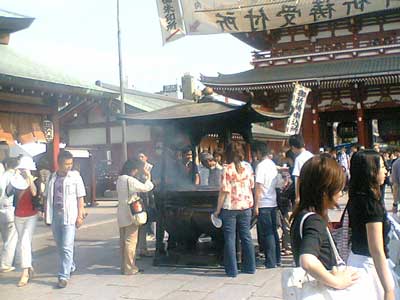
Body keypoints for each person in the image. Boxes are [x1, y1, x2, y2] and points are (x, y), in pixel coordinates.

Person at [290, 155, 359, 290]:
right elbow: (307, 260)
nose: (341, 193)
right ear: (324, 191)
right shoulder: (314, 221)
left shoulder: (302, 215)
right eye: (338, 188)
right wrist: (337, 282)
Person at [347, 150, 399, 299]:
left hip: (355, 260)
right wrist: (388, 289)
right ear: (370, 171)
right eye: (382, 167)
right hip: (371, 268)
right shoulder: (371, 205)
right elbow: (376, 249)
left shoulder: (355, 198)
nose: (386, 170)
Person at [45, 151, 86, 288]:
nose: (69, 166)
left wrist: (80, 216)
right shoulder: (52, 177)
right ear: (59, 163)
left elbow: (80, 198)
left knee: (67, 246)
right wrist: (46, 215)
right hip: (56, 215)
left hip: (70, 216)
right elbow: (47, 198)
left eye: (71, 163)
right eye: (66, 164)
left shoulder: (75, 177)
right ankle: (71, 266)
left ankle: (63, 276)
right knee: (60, 246)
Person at [213, 143, 256, 277]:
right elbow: (252, 185)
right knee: (246, 236)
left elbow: (224, 191)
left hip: (230, 207)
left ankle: (232, 270)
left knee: (230, 239)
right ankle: (250, 267)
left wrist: (217, 210)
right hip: (246, 205)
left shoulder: (226, 169)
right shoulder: (248, 168)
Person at [116, 159, 154, 275]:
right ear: (133, 169)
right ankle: (130, 268)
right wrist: (148, 177)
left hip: (121, 212)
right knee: (131, 241)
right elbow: (146, 188)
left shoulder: (119, 179)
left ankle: (124, 266)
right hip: (131, 213)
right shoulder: (130, 180)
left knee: (123, 241)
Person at [8, 156, 38, 287]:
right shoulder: (15, 180)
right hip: (18, 216)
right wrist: (13, 176)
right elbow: (8, 192)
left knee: (25, 242)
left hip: (31, 215)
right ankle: (29, 266)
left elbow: (35, 193)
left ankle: (25, 272)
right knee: (23, 243)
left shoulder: (34, 180)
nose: (22, 170)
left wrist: (29, 178)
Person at [254, 142, 281, 268]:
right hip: (273, 201)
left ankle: (270, 261)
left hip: (264, 202)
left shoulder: (261, 166)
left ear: (259, 152)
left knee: (267, 232)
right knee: (273, 232)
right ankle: (277, 258)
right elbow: (278, 184)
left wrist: (256, 205)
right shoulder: (272, 165)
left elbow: (258, 186)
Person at [0, 157, 19, 273]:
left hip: (1, 208)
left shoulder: (2, 176)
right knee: (11, 239)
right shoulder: (14, 177)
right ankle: (5, 264)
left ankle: (8, 260)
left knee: (5, 237)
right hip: (10, 209)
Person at [288, 134, 313, 204]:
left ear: (293, 147)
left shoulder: (299, 159)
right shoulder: (312, 156)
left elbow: (297, 179)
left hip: (304, 192)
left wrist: (297, 196)